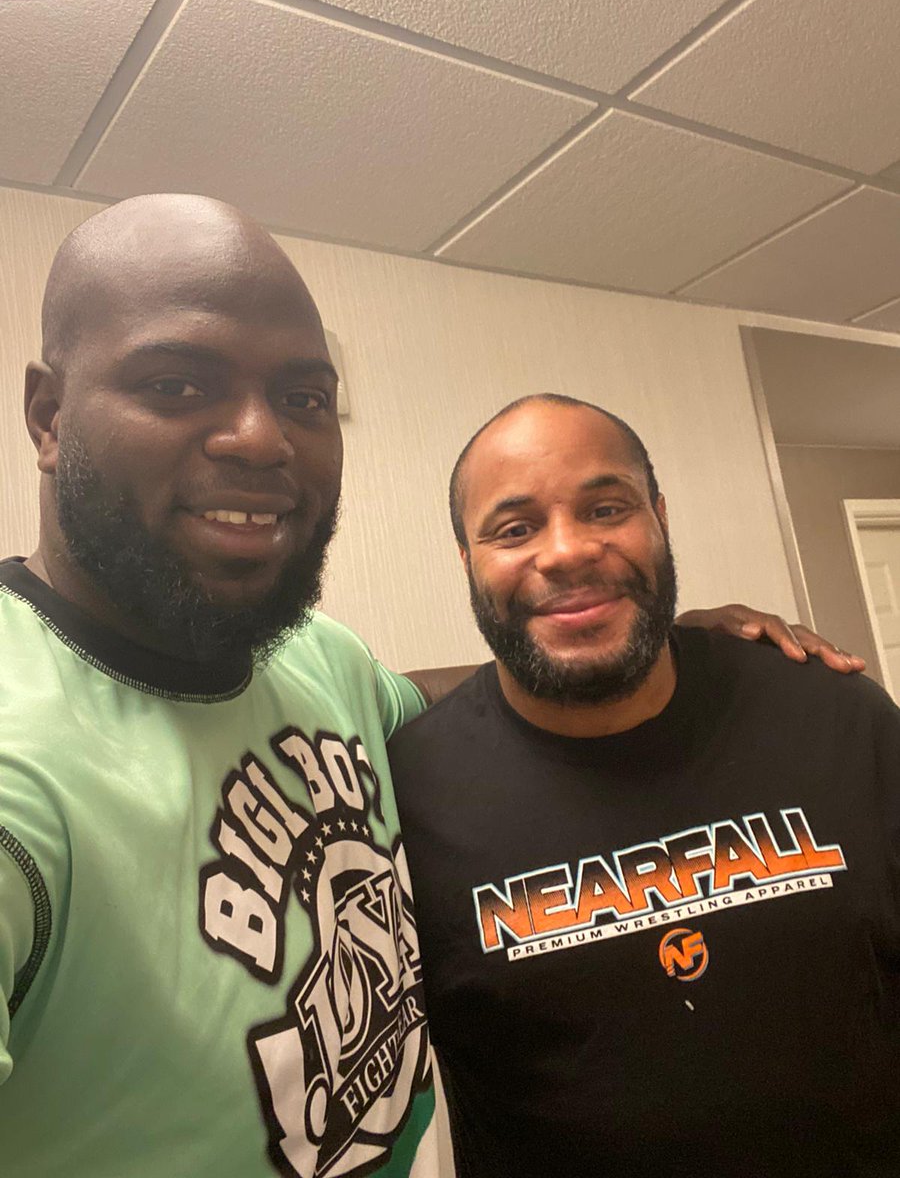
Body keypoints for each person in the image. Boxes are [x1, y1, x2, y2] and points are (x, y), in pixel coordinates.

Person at [0, 195, 858, 1177]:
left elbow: (467, 715)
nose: (260, 437)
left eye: (304, 397)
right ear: (49, 417)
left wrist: (648, 636)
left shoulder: (319, 660)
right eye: (175, 383)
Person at [388, 393, 900, 1178]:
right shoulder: (406, 794)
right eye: (515, 528)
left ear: (659, 518)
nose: (567, 551)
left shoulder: (836, 714)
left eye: (606, 508)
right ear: (467, 561)